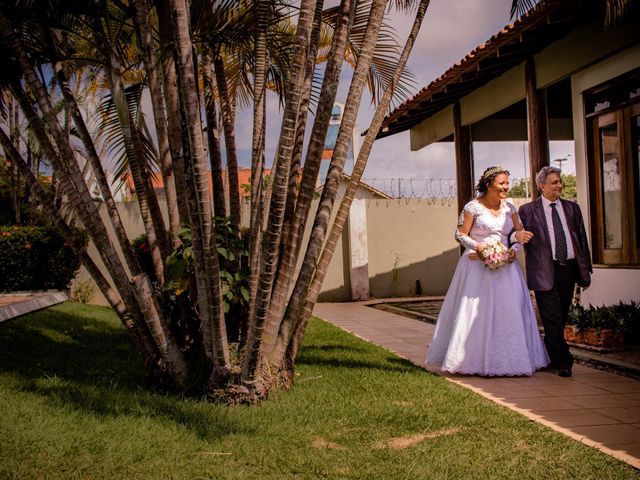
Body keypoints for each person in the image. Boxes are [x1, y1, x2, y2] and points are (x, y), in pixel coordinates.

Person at [426, 166, 549, 376]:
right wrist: (480, 248)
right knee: (475, 312)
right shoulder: (472, 207)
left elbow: (517, 234)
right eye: (501, 183)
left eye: (507, 183)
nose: (506, 187)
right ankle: (470, 360)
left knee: (508, 310)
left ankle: (511, 360)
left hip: (506, 268)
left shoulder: (510, 208)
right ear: (489, 184)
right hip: (476, 266)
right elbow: (460, 235)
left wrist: (513, 250)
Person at [516, 166, 592, 378]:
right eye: (554, 182)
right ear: (542, 186)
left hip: (568, 269)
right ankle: (564, 361)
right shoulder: (527, 211)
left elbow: (582, 240)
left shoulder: (572, 208)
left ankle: (550, 356)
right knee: (551, 318)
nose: (559, 185)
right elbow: (515, 236)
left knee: (560, 315)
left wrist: (586, 271)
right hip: (543, 271)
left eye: (560, 181)